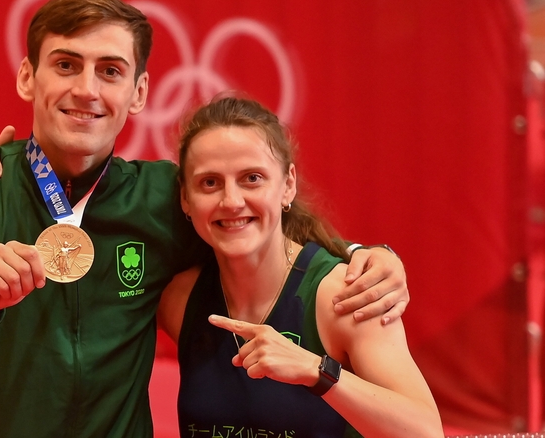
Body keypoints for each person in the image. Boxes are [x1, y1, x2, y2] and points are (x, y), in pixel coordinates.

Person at [0, 0, 409, 437]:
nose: (86, 89)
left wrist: (365, 255)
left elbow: (263, 229)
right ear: (27, 77)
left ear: (139, 91)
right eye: (65, 64)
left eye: (110, 71)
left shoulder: (164, 198)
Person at [160, 95, 442, 437]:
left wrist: (316, 370)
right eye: (210, 182)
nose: (231, 201)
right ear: (185, 198)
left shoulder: (344, 295)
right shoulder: (178, 298)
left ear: (287, 184)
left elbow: (425, 431)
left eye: (252, 178)